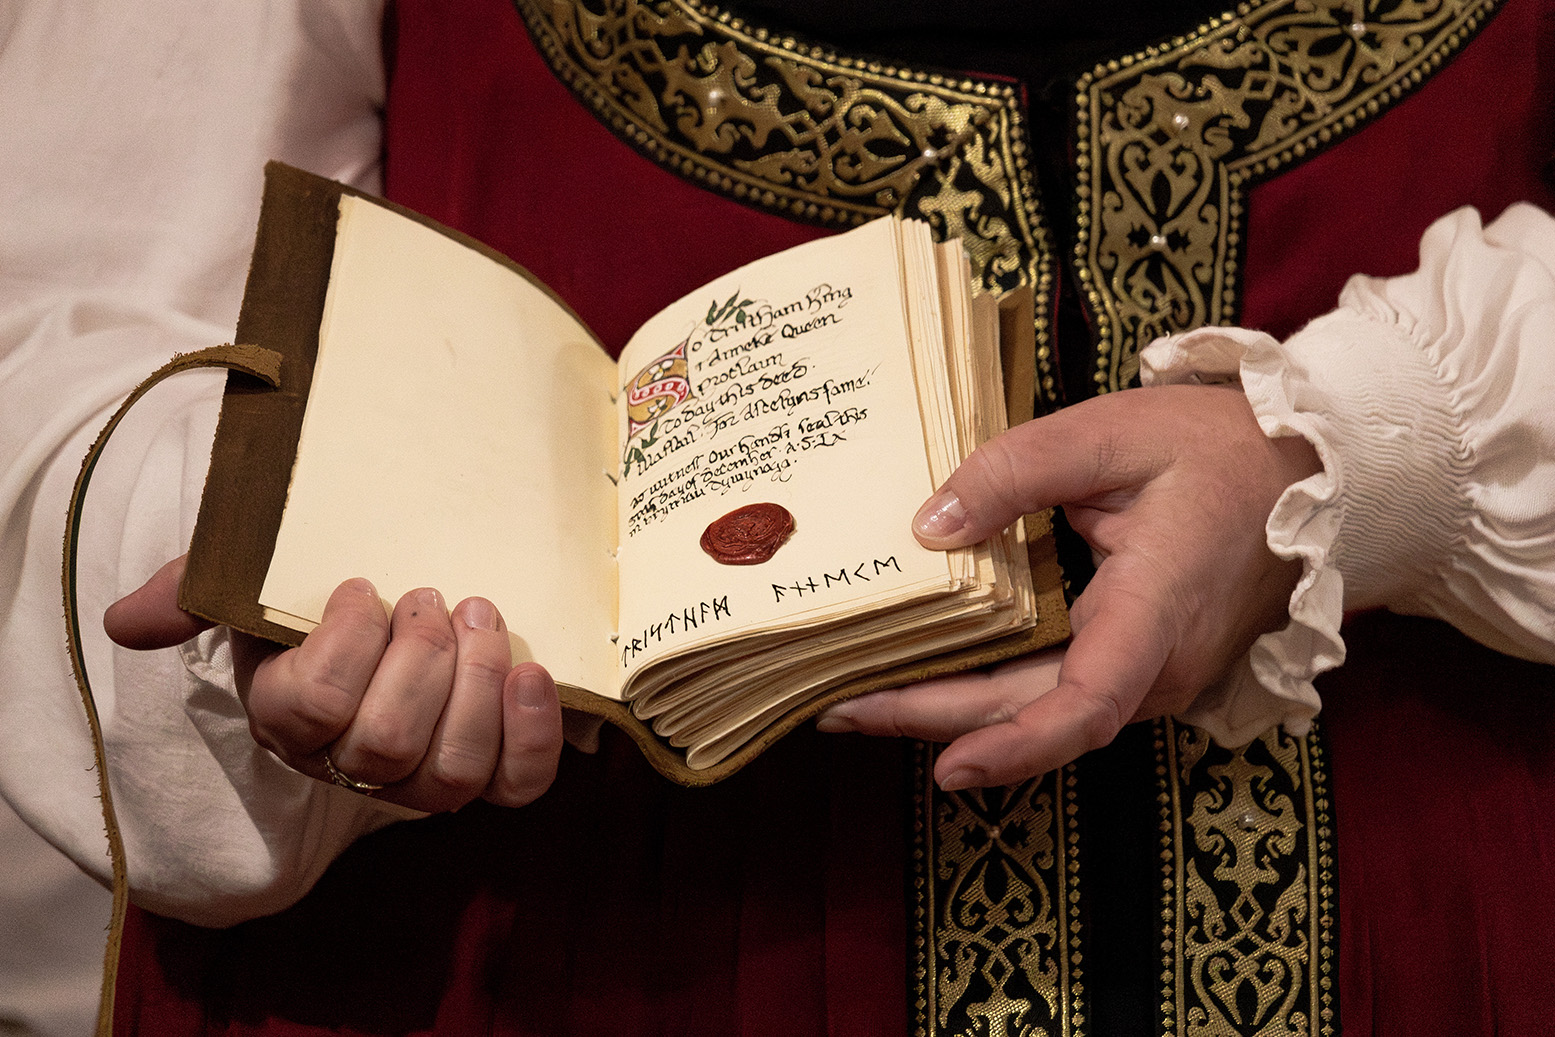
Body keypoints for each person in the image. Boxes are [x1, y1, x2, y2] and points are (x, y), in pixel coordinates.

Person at [4, 0, 1552, 1034]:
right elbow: (88, 321)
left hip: (1421, 862)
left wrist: (1356, 455)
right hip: (590, 936)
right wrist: (311, 625)